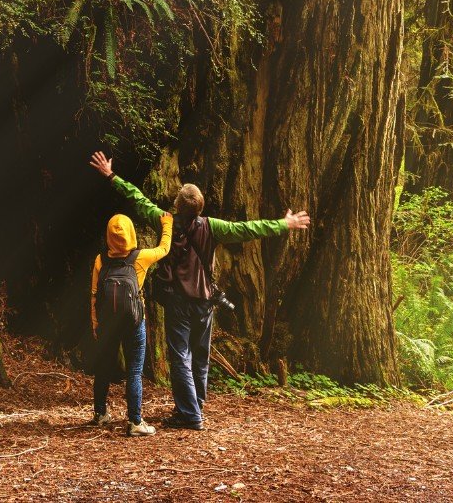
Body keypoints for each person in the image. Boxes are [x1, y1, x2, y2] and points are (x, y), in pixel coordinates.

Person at [89, 151, 310, 431]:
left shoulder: (164, 220)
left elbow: (137, 199)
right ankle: (195, 404)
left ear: (178, 205)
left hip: (178, 302)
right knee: (199, 355)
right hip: (205, 300)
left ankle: (190, 413)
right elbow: (248, 229)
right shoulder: (211, 226)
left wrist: (111, 176)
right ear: (199, 208)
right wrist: (284, 224)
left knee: (180, 355)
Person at [90, 208, 172, 436]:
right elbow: (164, 248)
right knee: (134, 371)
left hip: (107, 323)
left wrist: (95, 323)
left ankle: (100, 414)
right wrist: (167, 225)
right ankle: (135, 422)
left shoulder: (100, 260)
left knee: (103, 368)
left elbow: (95, 295)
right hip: (134, 322)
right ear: (131, 234)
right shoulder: (141, 258)